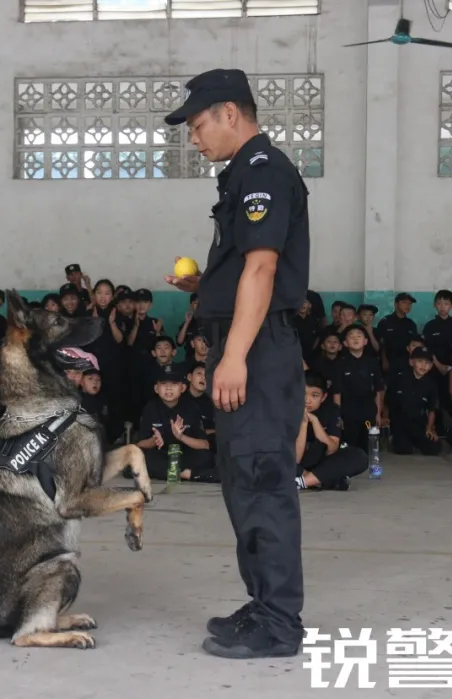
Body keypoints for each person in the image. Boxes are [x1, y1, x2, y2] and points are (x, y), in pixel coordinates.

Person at [163, 68, 309, 660]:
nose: (193, 139)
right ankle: (262, 603)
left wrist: (235, 357)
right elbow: (243, 267)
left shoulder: (263, 173)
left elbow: (264, 269)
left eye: (197, 126)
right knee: (244, 485)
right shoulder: (240, 177)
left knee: (264, 484)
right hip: (245, 342)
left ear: (229, 113)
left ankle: (279, 624)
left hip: (258, 352)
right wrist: (206, 285)